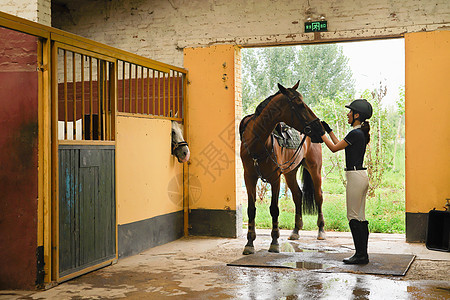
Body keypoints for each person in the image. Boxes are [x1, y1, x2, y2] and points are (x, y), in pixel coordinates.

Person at [320, 99, 373, 264]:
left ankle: (359, 255)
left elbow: (334, 148)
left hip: (355, 177)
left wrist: (320, 133)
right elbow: (338, 143)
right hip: (361, 176)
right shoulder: (359, 133)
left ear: (357, 115)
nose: (348, 114)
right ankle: (362, 254)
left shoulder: (355, 133)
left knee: (352, 216)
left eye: (350, 112)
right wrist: (328, 131)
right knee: (361, 217)